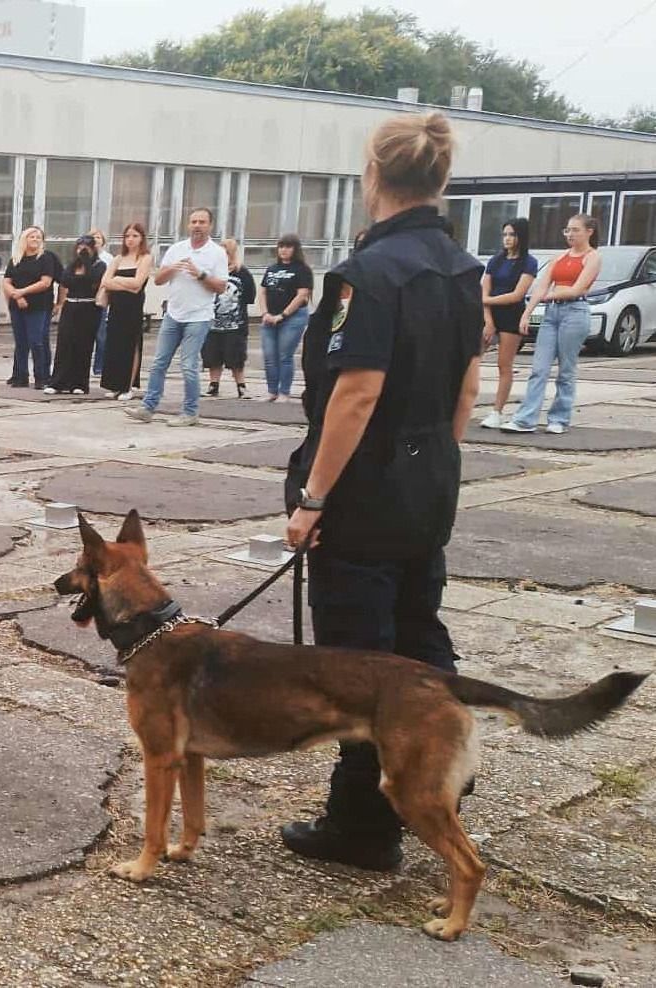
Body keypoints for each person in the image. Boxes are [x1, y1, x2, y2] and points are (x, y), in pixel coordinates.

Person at [280, 111, 484, 871]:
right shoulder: (465, 269)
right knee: (418, 634)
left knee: (358, 662)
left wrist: (312, 498)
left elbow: (355, 394)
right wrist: (436, 459)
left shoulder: (365, 275)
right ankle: (445, 764)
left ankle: (361, 824)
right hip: (428, 478)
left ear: (373, 179)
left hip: (363, 491)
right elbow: (466, 384)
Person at [500, 215, 601, 435]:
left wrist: (552, 294)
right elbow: (541, 287)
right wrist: (526, 313)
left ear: (589, 232)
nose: (570, 235)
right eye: (567, 230)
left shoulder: (592, 257)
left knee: (566, 369)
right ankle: (526, 419)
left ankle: (559, 418)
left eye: (575, 230)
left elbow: (578, 289)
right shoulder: (559, 257)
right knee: (539, 368)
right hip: (551, 313)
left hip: (575, 311)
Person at [124, 208, 225, 426]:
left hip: (199, 316)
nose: (197, 226)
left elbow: (221, 287)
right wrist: (171, 269)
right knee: (159, 362)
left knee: (188, 365)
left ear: (210, 226)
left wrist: (201, 274)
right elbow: (158, 279)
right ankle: (148, 407)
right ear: (188, 225)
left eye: (202, 222)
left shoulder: (216, 253)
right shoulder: (177, 248)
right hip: (174, 313)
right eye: (193, 222)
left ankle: (190, 412)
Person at [478, 219, 537, 429]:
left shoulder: (529, 262)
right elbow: (484, 288)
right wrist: (488, 317)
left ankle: (497, 411)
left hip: (511, 315)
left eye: (511, 234)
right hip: (489, 314)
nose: (507, 239)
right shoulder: (495, 260)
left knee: (504, 364)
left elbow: (517, 295)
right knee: (472, 359)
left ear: (521, 236)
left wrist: (486, 301)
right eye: (505, 235)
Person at [45, 234, 106, 395]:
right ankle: (58, 382)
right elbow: (65, 280)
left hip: (89, 307)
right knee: (65, 342)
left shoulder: (100, 265)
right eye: (79, 248)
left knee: (83, 345)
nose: (82, 251)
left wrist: (86, 261)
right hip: (71, 306)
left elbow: (93, 279)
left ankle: (79, 383)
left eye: (86, 248)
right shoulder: (72, 266)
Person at [98, 222, 152, 400]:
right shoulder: (118, 258)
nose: (130, 239)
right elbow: (105, 281)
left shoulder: (145, 258)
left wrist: (118, 280)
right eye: (127, 236)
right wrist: (123, 282)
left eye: (135, 236)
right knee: (114, 344)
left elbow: (137, 284)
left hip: (133, 307)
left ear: (142, 238)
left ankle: (128, 386)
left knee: (131, 344)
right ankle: (115, 384)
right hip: (117, 306)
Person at [258, 234, 314, 401]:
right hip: (269, 317)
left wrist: (283, 315)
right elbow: (262, 291)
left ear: (295, 249)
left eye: (288, 247)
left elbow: (302, 295)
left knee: (284, 355)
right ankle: (272, 391)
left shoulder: (302, 269)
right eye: (281, 246)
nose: (283, 250)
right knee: (269, 355)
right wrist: (265, 313)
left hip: (292, 318)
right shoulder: (272, 269)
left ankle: (284, 392)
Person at [3, 226, 58, 388]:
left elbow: (45, 282)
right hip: (17, 305)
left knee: (37, 341)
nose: (35, 240)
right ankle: (20, 376)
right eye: (31, 237)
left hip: (39, 305)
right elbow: (6, 282)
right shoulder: (16, 259)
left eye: (38, 237)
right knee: (21, 342)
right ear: (24, 239)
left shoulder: (46, 258)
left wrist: (22, 292)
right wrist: (15, 295)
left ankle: (42, 377)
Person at [204, 238, 257, 398]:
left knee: (236, 356)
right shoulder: (211, 272)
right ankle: (213, 385)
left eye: (227, 253)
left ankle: (241, 386)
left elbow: (249, 296)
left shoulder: (242, 273)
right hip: (213, 323)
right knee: (213, 355)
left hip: (235, 324)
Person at [89, 227, 113, 378]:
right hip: (86, 300)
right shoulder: (84, 256)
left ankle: (99, 367)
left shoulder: (108, 258)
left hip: (101, 299)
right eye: (93, 237)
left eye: (98, 237)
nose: (96, 240)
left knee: (101, 335)